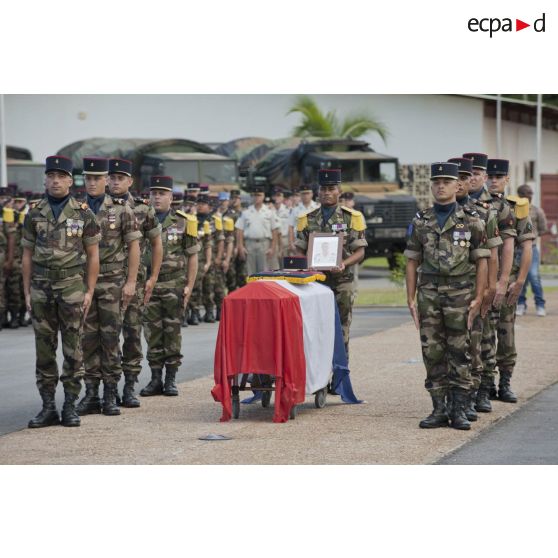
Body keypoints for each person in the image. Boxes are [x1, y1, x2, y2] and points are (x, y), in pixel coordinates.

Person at [405, 162, 490, 430]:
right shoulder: (421, 220)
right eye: (436, 182)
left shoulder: (473, 220)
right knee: (432, 352)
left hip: (460, 293)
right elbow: (411, 260)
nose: (440, 186)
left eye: (446, 182)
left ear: (457, 185)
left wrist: (479, 296)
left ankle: (460, 409)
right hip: (428, 293)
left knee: (460, 350)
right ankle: (439, 409)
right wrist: (410, 297)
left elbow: (482, 261)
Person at [22, 155, 100, 428]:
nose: (55, 181)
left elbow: (93, 255)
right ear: (45, 179)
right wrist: (27, 291)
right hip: (41, 288)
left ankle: (69, 405)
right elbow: (27, 255)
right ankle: (47, 407)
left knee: (73, 349)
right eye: (50, 176)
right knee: (44, 350)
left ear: (69, 180)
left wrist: (89, 290)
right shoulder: (34, 212)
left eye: (60, 176)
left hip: (71, 288)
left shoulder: (82, 213)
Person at [77, 157, 141, 417]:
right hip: (82, 283)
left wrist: (131, 282)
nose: (92, 183)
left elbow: (134, 247)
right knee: (87, 339)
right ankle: (91, 393)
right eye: (88, 178)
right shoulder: (76, 209)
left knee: (111, 338)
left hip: (112, 282)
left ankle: (110, 394)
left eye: (97, 178)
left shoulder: (121, 209)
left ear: (106, 180)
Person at [448, 157, 502, 420]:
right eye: (455, 177)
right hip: (446, 291)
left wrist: (491, 288)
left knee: (476, 343)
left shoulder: (482, 212)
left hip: (474, 288)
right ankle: (454, 398)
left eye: (465, 177)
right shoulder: (438, 212)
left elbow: (492, 255)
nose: (460, 182)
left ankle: (474, 394)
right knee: (451, 346)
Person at [107, 158, 163, 407]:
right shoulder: (97, 206)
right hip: (105, 282)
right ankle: (109, 389)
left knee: (131, 334)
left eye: (120, 178)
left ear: (130, 181)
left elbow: (156, 243)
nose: (115, 182)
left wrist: (152, 277)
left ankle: (129, 387)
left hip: (135, 283)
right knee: (107, 337)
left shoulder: (142, 208)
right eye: (112, 177)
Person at [463, 152, 517, 407]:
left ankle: (485, 387)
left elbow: (507, 246)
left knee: (488, 336)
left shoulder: (498, 206)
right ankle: (467, 390)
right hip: (463, 281)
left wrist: (502, 280)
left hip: (489, 280)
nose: (472, 178)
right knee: (466, 338)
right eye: (468, 173)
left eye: (477, 173)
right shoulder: (456, 201)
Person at [295, 169, 367, 357]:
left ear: (339, 191)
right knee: (315, 328)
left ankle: (340, 378)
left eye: (331, 188)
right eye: (323, 189)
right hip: (315, 283)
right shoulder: (307, 219)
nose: (327, 192)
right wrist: (306, 264)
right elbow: (299, 249)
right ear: (318, 192)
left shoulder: (352, 217)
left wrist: (344, 263)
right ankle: (319, 379)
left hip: (343, 281)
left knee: (341, 327)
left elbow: (360, 251)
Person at [140, 176, 199, 397]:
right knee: (152, 332)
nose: (157, 197)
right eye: (154, 193)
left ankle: (171, 379)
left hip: (174, 283)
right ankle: (155, 379)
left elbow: (192, 256)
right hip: (149, 284)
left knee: (172, 333)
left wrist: (189, 286)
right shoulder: (141, 219)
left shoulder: (184, 221)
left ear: (171, 197)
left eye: (162, 193)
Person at [487, 159, 535, 403]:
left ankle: (504, 382)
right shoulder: (477, 205)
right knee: (483, 334)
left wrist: (520, 281)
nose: (493, 180)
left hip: (507, 280)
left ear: (507, 179)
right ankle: (485, 383)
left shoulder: (516, 207)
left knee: (505, 332)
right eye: (490, 176)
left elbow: (527, 247)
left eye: (498, 176)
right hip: (483, 281)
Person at [516, 184, 548, 316]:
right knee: (519, 278)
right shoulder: (514, 210)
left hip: (532, 249)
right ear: (520, 195)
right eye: (525, 194)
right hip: (516, 250)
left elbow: (543, 229)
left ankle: (540, 305)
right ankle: (520, 304)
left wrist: (531, 237)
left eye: (530, 193)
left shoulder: (537, 211)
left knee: (534, 277)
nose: (529, 196)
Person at [236, 187, 280, 276]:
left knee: (264, 272)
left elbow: (274, 231)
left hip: (264, 244)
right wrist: (240, 246)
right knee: (250, 272)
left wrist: (273, 247)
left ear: (263, 196)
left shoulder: (269, 212)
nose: (256, 197)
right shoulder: (246, 212)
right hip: (249, 244)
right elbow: (239, 230)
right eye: (254, 195)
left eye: (259, 195)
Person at [188, 195, 214, 325]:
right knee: (194, 287)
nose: (200, 206)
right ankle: (194, 312)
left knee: (208, 287)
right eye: (198, 203)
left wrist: (209, 262)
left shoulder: (211, 221)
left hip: (205, 259)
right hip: (193, 258)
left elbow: (209, 244)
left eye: (203, 204)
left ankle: (209, 311)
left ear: (209, 206)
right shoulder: (191, 220)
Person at [0, 189, 16, 330]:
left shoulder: (7, 214)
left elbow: (11, 237)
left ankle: (3, 316)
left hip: (2, 253)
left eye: (5, 198)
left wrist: (10, 258)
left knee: (2, 288)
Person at [288, 184, 319, 255]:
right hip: (298, 242)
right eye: (303, 194)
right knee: (300, 264)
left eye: (307, 193)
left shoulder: (317, 208)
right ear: (300, 195)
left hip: (314, 241)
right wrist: (291, 243)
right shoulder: (294, 210)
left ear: (312, 194)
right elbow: (290, 227)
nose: (305, 196)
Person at [271, 187, 291, 268]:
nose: (277, 198)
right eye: (275, 196)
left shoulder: (288, 210)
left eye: (279, 196)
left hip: (285, 240)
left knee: (286, 266)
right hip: (273, 241)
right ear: (272, 197)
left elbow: (291, 227)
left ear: (283, 198)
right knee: (274, 267)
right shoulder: (268, 210)